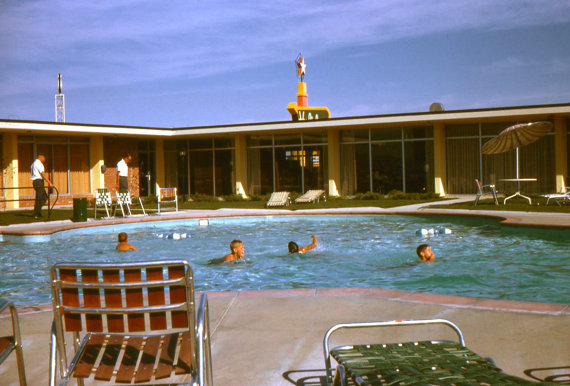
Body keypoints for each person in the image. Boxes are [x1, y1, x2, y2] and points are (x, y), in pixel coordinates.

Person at [30, 153, 54, 219]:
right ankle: (36, 213)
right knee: (40, 198)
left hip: (36, 181)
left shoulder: (34, 163)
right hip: (38, 181)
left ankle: (38, 212)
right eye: (44, 158)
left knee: (44, 197)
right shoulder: (38, 164)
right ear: (41, 157)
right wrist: (49, 183)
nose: (45, 159)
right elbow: (42, 174)